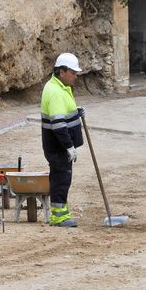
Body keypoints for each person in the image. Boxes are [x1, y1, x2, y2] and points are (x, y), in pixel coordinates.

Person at [41, 53, 85, 227]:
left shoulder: (60, 87)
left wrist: (76, 112)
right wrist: (69, 147)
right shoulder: (55, 92)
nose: (75, 76)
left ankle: (62, 213)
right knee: (61, 179)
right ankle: (58, 217)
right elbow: (58, 124)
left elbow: (64, 113)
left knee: (63, 179)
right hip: (57, 147)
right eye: (73, 72)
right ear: (62, 71)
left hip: (59, 146)